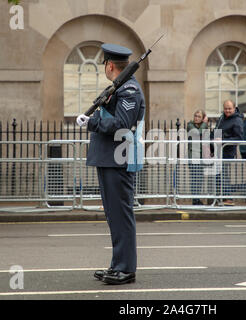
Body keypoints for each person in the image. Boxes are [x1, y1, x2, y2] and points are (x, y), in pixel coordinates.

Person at [76, 43, 146, 284]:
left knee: (121, 214)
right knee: (114, 215)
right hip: (110, 159)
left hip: (120, 160)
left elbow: (121, 125)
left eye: (105, 64)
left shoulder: (129, 90)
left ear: (110, 65)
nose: (104, 68)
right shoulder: (118, 88)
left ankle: (126, 268)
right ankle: (118, 264)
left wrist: (92, 122)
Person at [214, 100, 243, 206]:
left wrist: (223, 140)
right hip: (218, 151)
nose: (227, 110)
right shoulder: (222, 118)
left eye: (229, 108)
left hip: (227, 151)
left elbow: (239, 138)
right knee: (218, 174)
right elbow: (217, 131)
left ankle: (228, 198)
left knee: (224, 174)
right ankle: (220, 197)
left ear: (234, 108)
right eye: (226, 108)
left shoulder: (237, 120)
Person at [187, 109, 209, 205]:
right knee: (194, 178)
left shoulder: (204, 128)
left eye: (199, 116)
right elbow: (196, 133)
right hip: (193, 156)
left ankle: (197, 198)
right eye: (195, 116)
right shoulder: (190, 125)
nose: (196, 118)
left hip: (202, 156)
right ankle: (194, 199)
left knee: (199, 179)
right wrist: (204, 123)